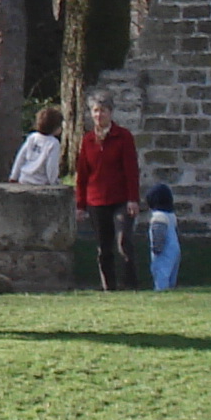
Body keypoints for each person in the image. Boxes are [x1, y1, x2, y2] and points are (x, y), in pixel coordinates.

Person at [73, 98, 140, 289]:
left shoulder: (123, 137)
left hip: (120, 198)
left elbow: (131, 170)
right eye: (95, 111)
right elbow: (83, 174)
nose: (98, 115)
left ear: (110, 112)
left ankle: (130, 284)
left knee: (123, 241)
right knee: (104, 247)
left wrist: (133, 199)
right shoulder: (87, 140)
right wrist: (80, 205)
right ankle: (108, 286)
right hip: (96, 200)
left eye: (102, 111)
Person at [8, 105, 64, 187]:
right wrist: (53, 182)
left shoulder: (32, 137)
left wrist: (14, 176)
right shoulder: (53, 143)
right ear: (55, 127)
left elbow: (21, 157)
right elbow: (51, 166)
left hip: (24, 179)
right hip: (41, 182)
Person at [145, 182, 182, 291]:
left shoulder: (158, 217)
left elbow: (158, 233)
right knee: (171, 271)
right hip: (174, 248)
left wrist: (156, 248)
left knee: (161, 270)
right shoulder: (171, 216)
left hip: (164, 250)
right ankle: (171, 287)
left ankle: (160, 289)